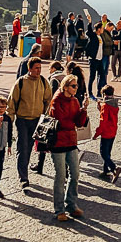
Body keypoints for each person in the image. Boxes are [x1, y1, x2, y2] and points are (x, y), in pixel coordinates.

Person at [7, 56, 52, 188]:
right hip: (22, 120)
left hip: (37, 121)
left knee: (29, 147)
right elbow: (12, 102)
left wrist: (45, 117)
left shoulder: (44, 82)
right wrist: (9, 120)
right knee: (22, 148)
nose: (39, 71)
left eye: (40, 68)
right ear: (29, 69)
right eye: (36, 68)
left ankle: (24, 172)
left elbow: (48, 100)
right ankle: (23, 178)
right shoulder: (20, 82)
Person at [49, 74, 88, 221]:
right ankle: (59, 209)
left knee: (75, 173)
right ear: (65, 87)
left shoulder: (75, 101)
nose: (76, 88)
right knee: (61, 176)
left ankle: (71, 203)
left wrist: (83, 109)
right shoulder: (57, 100)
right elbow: (61, 121)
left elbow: (79, 122)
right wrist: (73, 121)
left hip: (71, 141)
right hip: (58, 142)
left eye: (77, 86)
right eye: (73, 86)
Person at [93, 84, 121, 183]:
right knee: (108, 152)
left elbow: (103, 121)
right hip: (113, 131)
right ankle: (105, 171)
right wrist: (100, 108)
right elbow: (110, 115)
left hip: (106, 133)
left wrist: (96, 134)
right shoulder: (114, 103)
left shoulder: (105, 105)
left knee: (103, 153)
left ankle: (114, 168)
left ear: (104, 94)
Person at [85, 19, 106, 99]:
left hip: (99, 59)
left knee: (102, 75)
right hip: (93, 59)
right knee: (92, 76)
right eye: (102, 28)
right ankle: (89, 92)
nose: (103, 29)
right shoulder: (93, 36)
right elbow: (89, 31)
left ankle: (99, 92)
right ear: (99, 29)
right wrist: (90, 22)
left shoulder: (100, 37)